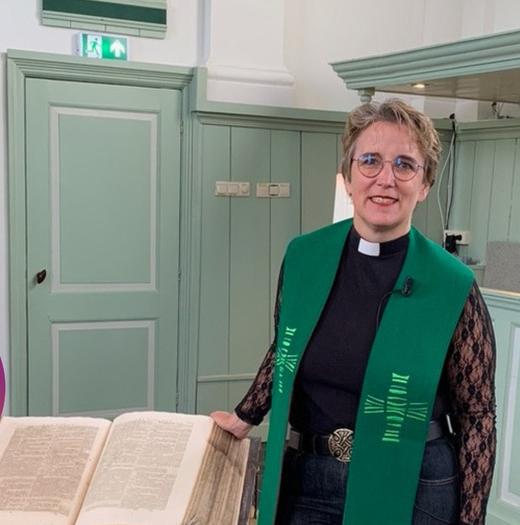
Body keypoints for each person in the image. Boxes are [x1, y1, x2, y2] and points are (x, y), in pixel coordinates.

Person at [211, 99, 496, 525]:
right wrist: (244, 416)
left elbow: (477, 417)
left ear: (424, 185)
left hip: (414, 483)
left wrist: (471, 521)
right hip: (309, 480)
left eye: (404, 165)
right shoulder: (304, 257)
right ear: (347, 177)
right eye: (370, 161)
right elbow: (285, 347)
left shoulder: (452, 284)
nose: (386, 179)